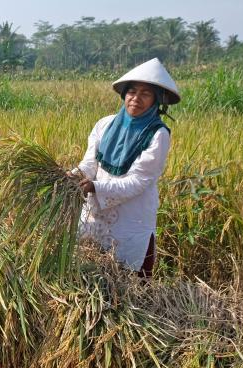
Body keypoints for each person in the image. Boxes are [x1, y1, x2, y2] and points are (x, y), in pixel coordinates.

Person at [71, 58, 181, 278]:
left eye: (145, 94)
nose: (136, 99)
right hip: (95, 215)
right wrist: (72, 176)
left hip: (131, 218)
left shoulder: (157, 134)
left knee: (129, 281)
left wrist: (95, 187)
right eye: (131, 92)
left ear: (156, 100)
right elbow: (90, 163)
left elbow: (139, 181)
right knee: (87, 274)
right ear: (124, 95)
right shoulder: (105, 124)